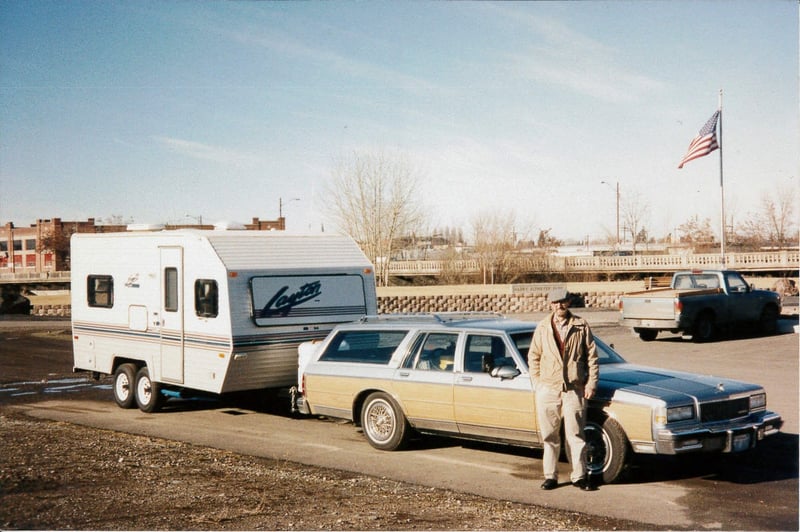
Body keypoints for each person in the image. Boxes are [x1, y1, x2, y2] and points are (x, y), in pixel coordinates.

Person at [528, 287, 599, 491]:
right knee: (550, 436)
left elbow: (592, 358)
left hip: (574, 389)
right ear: (550, 304)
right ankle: (550, 476)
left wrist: (591, 383)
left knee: (576, 436)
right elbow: (534, 356)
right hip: (548, 389)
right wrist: (538, 383)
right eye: (555, 302)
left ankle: (579, 476)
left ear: (568, 302)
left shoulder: (581, 325)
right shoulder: (542, 327)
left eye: (563, 301)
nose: (560, 305)